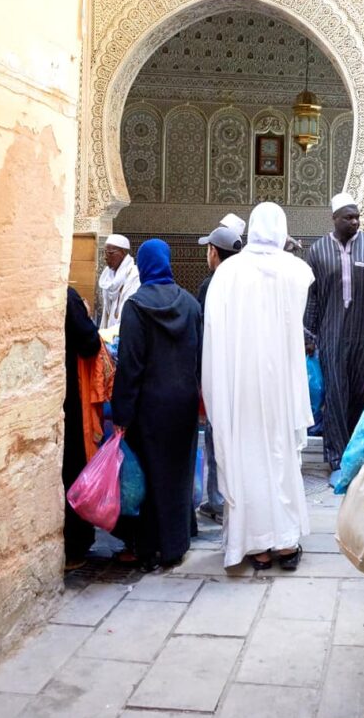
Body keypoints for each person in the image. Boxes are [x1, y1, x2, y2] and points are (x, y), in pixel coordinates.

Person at [202, 202, 314, 570]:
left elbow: (215, 334)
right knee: (280, 458)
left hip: (242, 384)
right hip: (280, 384)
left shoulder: (229, 272)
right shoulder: (296, 270)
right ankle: (284, 543)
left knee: (247, 456)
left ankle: (256, 546)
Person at [112, 239, 202, 571]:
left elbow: (130, 365)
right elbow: (199, 359)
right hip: (184, 403)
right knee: (178, 473)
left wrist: (121, 412)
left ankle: (148, 548)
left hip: (149, 407)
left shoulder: (136, 307)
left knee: (149, 476)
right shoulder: (191, 304)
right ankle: (176, 545)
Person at [304, 192, 364, 485]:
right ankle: (337, 459)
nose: (355, 221)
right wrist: (309, 335)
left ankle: (362, 455)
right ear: (334, 219)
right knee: (335, 396)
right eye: (349, 217)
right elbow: (313, 297)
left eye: (357, 217)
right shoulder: (318, 251)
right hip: (331, 336)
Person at [196, 226, 243, 524]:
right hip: (243, 374)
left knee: (216, 439)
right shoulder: (246, 282)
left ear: (214, 252)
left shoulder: (210, 285)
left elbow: (202, 336)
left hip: (217, 373)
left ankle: (216, 500)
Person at [62, 286, 101, 570]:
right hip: (69, 397)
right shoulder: (68, 298)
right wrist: (85, 315)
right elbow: (90, 342)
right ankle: (74, 545)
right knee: (72, 465)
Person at [98, 234, 141, 329]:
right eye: (105, 252)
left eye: (110, 253)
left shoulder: (134, 275)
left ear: (122, 253)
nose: (105, 257)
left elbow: (130, 310)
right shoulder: (108, 276)